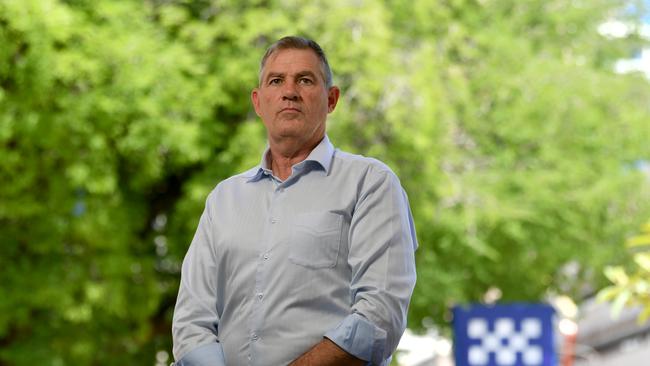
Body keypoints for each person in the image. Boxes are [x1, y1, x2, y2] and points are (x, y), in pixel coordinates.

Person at [172, 36, 417, 366]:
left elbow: (380, 315)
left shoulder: (369, 183)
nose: (289, 91)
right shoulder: (224, 199)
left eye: (305, 79)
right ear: (259, 102)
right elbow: (191, 321)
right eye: (276, 80)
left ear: (331, 99)